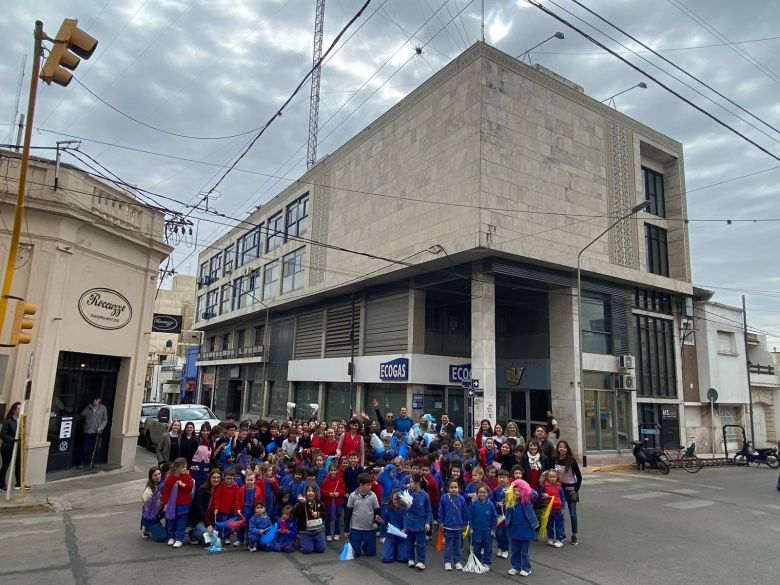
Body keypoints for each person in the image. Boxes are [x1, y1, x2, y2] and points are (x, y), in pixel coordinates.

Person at [504, 478, 539, 577]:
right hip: (514, 529)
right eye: (515, 491)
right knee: (514, 550)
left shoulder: (527, 499)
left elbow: (535, 494)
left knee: (525, 551)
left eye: (520, 491)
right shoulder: (511, 500)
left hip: (525, 529)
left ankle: (526, 568)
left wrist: (525, 486)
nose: (517, 493)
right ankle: (516, 567)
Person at [345, 472, 382, 557]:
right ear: (361, 485)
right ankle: (356, 546)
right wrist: (346, 529)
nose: (370, 487)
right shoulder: (352, 495)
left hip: (369, 528)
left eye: (370, 485)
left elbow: (377, 511)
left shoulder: (373, 495)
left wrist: (376, 523)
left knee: (370, 553)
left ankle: (367, 546)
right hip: (355, 528)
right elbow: (348, 513)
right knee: (355, 553)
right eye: (368, 485)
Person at [160, 457, 194, 548]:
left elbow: (190, 487)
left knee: (181, 523)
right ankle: (171, 536)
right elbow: (165, 492)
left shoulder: (187, 476)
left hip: (183, 504)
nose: (185, 469)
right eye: (182, 467)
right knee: (171, 521)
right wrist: (166, 503)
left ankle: (179, 539)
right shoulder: (170, 478)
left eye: (185, 467)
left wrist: (183, 485)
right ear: (176, 468)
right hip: (172, 505)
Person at [554, 440, 582, 546]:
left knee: (573, 514)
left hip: (571, 489)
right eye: (560, 447)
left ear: (567, 449)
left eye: (564, 447)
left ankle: (574, 535)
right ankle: (562, 534)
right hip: (559, 489)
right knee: (560, 513)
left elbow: (579, 477)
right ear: (557, 449)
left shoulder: (571, 461)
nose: (562, 449)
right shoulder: (555, 459)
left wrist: (576, 490)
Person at [404, 472, 432, 570]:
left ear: (417, 483)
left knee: (421, 543)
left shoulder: (425, 496)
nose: (410, 484)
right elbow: (399, 493)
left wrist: (428, 522)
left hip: (420, 522)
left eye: (411, 482)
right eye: (410, 482)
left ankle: (421, 561)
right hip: (409, 521)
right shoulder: (408, 492)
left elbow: (428, 510)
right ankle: (410, 559)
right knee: (409, 542)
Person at [438, 479, 467, 571]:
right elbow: (440, 511)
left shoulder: (462, 499)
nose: (453, 489)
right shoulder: (444, 498)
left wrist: (465, 524)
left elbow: (465, 513)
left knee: (458, 545)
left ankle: (457, 561)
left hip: (458, 526)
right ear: (448, 488)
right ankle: (447, 561)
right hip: (448, 525)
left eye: (455, 487)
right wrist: (441, 521)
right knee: (448, 545)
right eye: (451, 487)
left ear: (459, 488)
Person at [470, 484, 498, 571]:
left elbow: (494, 517)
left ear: (488, 493)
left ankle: (486, 563)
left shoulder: (491, 505)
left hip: (488, 530)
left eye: (484, 492)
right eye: (480, 492)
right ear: (477, 493)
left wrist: (493, 529)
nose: (482, 494)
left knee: (488, 548)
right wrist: (471, 527)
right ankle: (477, 562)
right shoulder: (474, 504)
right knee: (476, 547)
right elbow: (471, 516)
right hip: (477, 530)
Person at [189, 468, 221, 544]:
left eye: (218, 477)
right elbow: (200, 510)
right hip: (199, 519)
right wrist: (208, 525)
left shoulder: (220, 489)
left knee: (212, 538)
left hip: (211, 518)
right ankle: (192, 534)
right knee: (206, 533)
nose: (216, 480)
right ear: (209, 478)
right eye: (214, 477)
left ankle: (204, 538)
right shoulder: (202, 490)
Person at [294, 485, 326, 553]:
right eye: (309, 491)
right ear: (305, 492)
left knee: (321, 549)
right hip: (305, 531)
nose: (311, 493)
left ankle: (313, 541)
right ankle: (302, 540)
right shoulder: (300, 503)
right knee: (307, 550)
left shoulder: (319, 502)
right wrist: (301, 504)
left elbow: (325, 514)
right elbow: (295, 514)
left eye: (312, 491)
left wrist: (318, 514)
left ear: (315, 492)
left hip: (317, 530)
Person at [79, 396, 107, 468]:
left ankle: (93, 463)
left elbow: (105, 419)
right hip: (88, 431)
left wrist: (101, 427)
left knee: (96, 449)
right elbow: (82, 415)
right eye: (94, 399)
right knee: (85, 448)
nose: (95, 401)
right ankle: (82, 463)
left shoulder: (103, 408)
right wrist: (84, 423)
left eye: (96, 400)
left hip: (97, 432)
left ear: (99, 400)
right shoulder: (88, 407)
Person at [380, 489, 408, 563]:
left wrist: (406, 529)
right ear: (391, 499)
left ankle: (396, 549)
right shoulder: (388, 511)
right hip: (391, 538)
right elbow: (385, 524)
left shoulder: (406, 510)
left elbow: (409, 524)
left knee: (404, 558)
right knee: (386, 559)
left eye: (398, 499)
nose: (396, 501)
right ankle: (391, 549)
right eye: (394, 499)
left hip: (402, 538)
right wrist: (382, 536)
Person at [541, 468, 566, 547]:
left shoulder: (559, 487)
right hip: (549, 509)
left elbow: (563, 498)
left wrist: (563, 508)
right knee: (549, 525)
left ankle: (559, 539)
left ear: (556, 478)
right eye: (550, 477)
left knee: (559, 525)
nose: (552, 478)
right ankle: (550, 538)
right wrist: (543, 494)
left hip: (558, 509)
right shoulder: (545, 486)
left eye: (554, 477)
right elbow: (541, 493)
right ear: (547, 477)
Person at [1, 402, 21, 491]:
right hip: (8, 447)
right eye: (18, 409)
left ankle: (19, 483)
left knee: (18, 465)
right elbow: (2, 435)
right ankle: (2, 484)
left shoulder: (19, 421)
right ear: (14, 410)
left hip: (17, 447)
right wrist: (13, 439)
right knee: (5, 465)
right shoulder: (8, 421)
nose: (20, 410)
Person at [140, 466, 164, 541]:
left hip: (159, 512)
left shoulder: (163, 483)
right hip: (150, 516)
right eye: (155, 475)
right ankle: (147, 527)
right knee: (161, 537)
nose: (158, 476)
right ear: (151, 477)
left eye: (159, 474)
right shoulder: (149, 490)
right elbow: (146, 506)